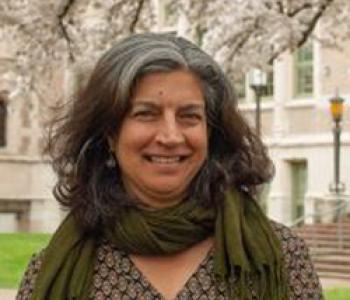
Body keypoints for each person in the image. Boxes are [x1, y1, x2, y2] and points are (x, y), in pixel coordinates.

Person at [17, 33, 323, 300]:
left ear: (211, 132)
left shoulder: (283, 257)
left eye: (189, 116)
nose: (170, 136)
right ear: (110, 134)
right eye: (146, 114)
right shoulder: (52, 271)